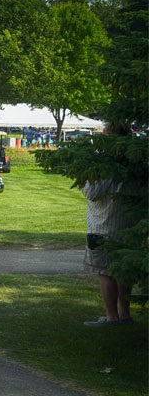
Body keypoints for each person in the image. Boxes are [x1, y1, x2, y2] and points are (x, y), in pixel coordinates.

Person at [83, 123, 136, 327]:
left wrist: (84, 177)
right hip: (129, 223)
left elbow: (92, 192)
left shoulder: (105, 164)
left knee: (105, 270)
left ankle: (111, 317)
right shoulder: (135, 160)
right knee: (123, 270)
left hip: (103, 225)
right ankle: (125, 315)